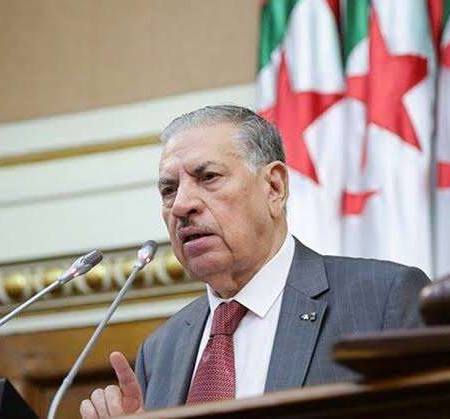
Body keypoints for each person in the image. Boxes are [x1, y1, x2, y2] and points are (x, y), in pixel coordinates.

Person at [80, 105, 430, 418]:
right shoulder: (161, 350)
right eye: (169, 189)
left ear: (274, 187)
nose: (182, 205)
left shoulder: (382, 301)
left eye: (208, 177)